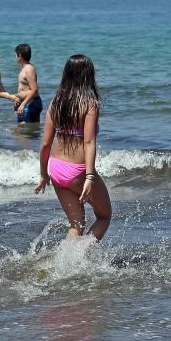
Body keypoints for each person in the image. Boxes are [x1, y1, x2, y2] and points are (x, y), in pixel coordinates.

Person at [34, 54, 112, 240]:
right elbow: (88, 141)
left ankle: (64, 263)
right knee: (104, 216)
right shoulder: (90, 104)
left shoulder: (55, 103)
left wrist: (44, 174)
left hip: (56, 168)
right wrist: (90, 176)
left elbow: (45, 144)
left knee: (76, 225)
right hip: (77, 171)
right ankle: (79, 259)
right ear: (88, 76)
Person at [14, 43, 42, 123]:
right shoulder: (24, 68)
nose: (15, 57)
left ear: (19, 56)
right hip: (26, 103)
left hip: (31, 103)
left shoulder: (29, 69)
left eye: (16, 55)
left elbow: (34, 89)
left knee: (26, 131)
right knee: (22, 130)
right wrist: (18, 100)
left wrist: (23, 104)